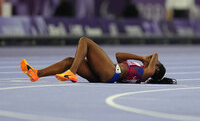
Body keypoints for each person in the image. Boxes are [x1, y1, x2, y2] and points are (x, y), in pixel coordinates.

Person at [20, 37, 166, 84]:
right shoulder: (140, 66)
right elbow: (119, 55)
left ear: (157, 69)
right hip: (106, 73)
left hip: (111, 72)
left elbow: (155, 54)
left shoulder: (147, 72)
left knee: (84, 41)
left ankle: (72, 72)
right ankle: (37, 73)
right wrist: (141, 58)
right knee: (70, 60)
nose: (150, 60)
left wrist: (150, 59)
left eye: (155, 63)